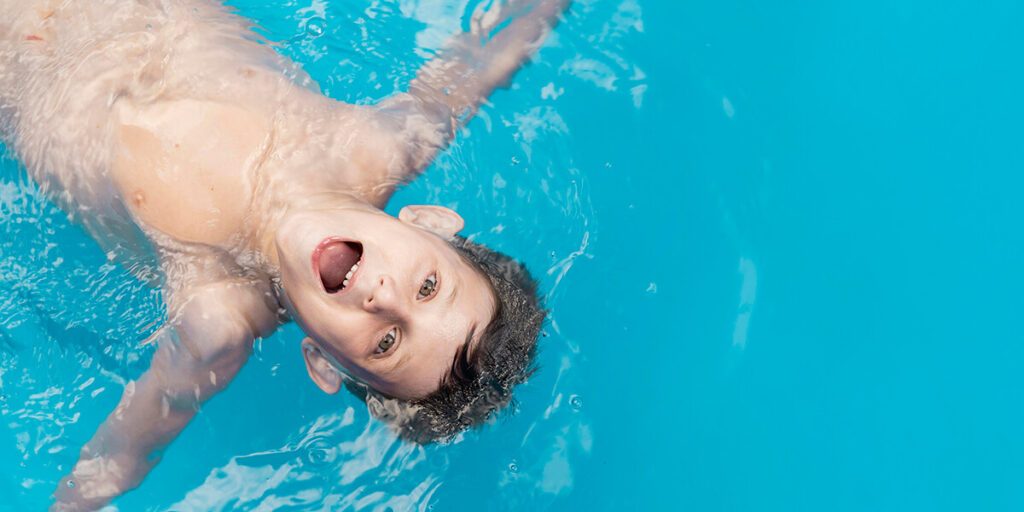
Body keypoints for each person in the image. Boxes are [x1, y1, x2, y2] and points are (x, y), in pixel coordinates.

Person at [0, 0, 567, 508]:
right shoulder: (375, 146)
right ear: (428, 223)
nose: (384, 296)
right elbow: (489, 52)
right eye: (428, 287)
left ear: (322, 360)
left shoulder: (217, 315)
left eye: (388, 342)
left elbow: (130, 443)